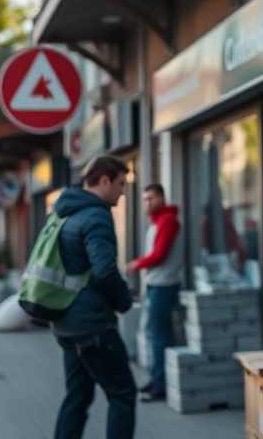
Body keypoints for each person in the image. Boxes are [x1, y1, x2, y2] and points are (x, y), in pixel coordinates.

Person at [52, 154, 136, 439]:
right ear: (104, 181)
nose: (123, 192)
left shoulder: (66, 211)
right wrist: (124, 301)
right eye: (121, 184)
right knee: (123, 394)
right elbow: (105, 271)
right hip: (92, 326)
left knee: (77, 397)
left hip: (65, 321)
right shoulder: (96, 215)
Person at [126, 183, 182, 403]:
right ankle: (158, 378)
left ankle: (160, 385)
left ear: (161, 198)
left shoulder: (168, 220)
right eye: (145, 199)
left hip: (163, 285)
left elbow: (159, 255)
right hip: (157, 284)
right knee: (158, 334)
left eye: (151, 198)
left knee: (158, 334)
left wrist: (136, 264)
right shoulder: (158, 221)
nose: (147, 203)